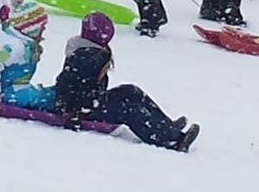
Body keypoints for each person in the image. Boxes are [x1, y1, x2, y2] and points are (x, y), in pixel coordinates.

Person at [53, 11, 200, 152]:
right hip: (83, 107)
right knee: (129, 110)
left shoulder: (94, 49)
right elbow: (65, 82)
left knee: (130, 91)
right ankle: (168, 138)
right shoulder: (82, 56)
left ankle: (166, 125)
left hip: (94, 98)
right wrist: (66, 111)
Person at [0, 0, 55, 110]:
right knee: (40, 98)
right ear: (31, 29)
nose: (44, 29)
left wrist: (15, 8)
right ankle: (55, 104)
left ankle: (57, 95)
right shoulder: (12, 47)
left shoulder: (24, 40)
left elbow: (14, 23)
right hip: (8, 92)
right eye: (42, 26)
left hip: (19, 87)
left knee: (49, 93)